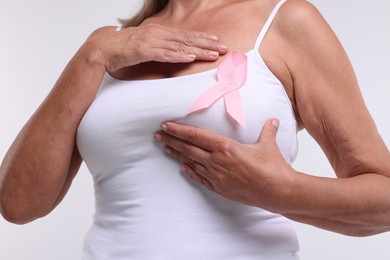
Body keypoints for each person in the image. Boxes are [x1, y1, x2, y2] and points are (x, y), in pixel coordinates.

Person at [0, 0, 389, 260]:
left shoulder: (286, 20)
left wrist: (282, 192)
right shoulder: (109, 45)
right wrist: (91, 55)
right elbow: (18, 204)